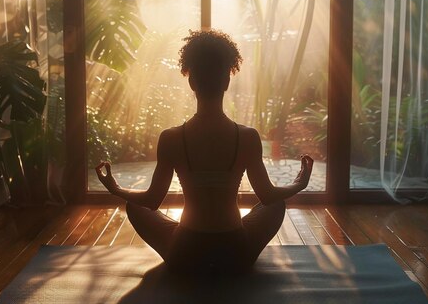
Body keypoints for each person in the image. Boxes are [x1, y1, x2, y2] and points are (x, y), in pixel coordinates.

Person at [95, 29, 314, 274]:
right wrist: (299, 183)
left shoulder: (171, 138)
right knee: (275, 205)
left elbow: (152, 200)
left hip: (185, 254)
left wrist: (116, 188)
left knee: (134, 206)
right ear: (227, 81)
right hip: (236, 254)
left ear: (191, 82)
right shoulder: (248, 137)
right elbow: (267, 195)